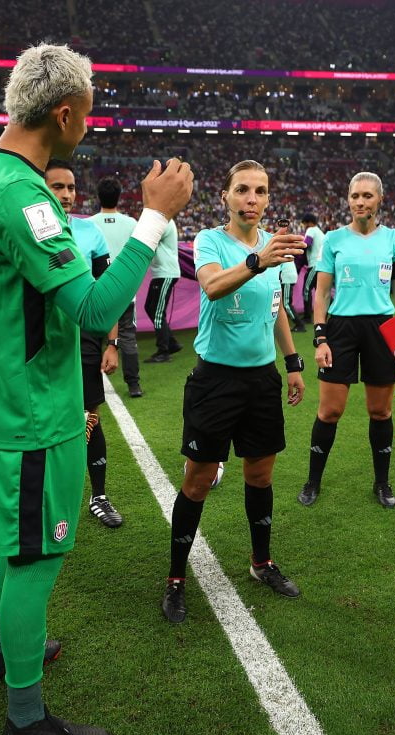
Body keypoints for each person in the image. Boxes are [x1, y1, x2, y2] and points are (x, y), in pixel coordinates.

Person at [0, 43, 192, 735]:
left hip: (9, 396)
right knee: (35, 559)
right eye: (87, 113)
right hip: (33, 409)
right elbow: (92, 309)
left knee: (16, 544)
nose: (89, 125)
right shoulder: (24, 196)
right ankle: (24, 721)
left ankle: (2, 649)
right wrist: (153, 220)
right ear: (63, 114)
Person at [161, 160, 307, 624]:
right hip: (215, 381)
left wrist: (292, 362)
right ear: (225, 196)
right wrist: (257, 260)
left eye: (260, 191)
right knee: (199, 480)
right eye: (242, 190)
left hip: (261, 381)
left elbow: (277, 306)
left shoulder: (274, 246)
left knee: (260, 476)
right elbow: (212, 287)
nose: (252, 199)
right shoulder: (210, 241)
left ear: (267, 198)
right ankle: (176, 580)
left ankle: (261, 563)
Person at [298, 172, 395, 510]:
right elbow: (320, 295)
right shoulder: (334, 240)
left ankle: (382, 483)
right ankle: (313, 481)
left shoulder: (394, 240)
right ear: (347, 199)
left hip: (381, 330)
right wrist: (320, 337)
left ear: (380, 199)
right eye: (354, 196)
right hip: (341, 330)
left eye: (367, 196)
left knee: (380, 411)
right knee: (330, 411)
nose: (360, 202)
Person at [45, 159, 124, 529]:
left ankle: (99, 496)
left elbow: (105, 293)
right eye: (57, 186)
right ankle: (47, 494)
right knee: (45, 419)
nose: (65, 194)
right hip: (40, 344)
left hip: (85, 342)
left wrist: (112, 342)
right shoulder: (29, 230)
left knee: (91, 415)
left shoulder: (90, 233)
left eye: (71, 187)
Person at [90, 177, 144, 396]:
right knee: (128, 337)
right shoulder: (132, 223)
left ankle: (91, 384)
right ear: (120, 196)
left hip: (97, 291)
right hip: (124, 292)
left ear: (98, 197)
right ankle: (134, 385)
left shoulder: (90, 223)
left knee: (93, 339)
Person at [143, 216, 182, 363]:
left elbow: (149, 239)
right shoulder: (162, 220)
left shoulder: (164, 221)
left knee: (157, 312)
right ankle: (171, 342)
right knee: (150, 307)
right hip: (161, 272)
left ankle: (163, 351)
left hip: (166, 272)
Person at [278, 227, 306, 333]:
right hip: (289, 276)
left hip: (287, 277)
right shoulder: (285, 250)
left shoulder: (281, 250)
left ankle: (300, 324)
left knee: (286, 303)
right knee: (285, 303)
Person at [300, 213, 325, 318]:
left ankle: (307, 316)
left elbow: (307, 243)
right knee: (321, 291)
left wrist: (298, 250)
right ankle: (331, 313)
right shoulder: (321, 233)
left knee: (306, 289)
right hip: (322, 265)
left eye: (305, 223)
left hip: (314, 264)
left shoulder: (311, 230)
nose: (304, 226)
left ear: (309, 222)